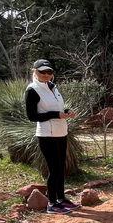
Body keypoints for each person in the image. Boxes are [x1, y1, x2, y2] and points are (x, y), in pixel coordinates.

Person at [25, 59, 80, 214]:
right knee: (54, 169)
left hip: (61, 132)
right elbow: (32, 116)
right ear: (34, 71)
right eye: (42, 72)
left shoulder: (53, 87)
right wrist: (56, 115)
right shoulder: (32, 90)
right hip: (46, 134)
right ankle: (52, 203)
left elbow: (58, 108)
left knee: (61, 167)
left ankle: (62, 199)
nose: (46, 75)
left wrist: (67, 111)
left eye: (49, 72)